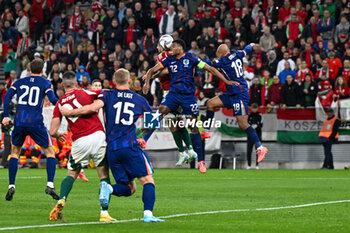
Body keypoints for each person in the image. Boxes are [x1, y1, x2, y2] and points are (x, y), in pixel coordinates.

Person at [61, 69, 164, 222]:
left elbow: (92, 108)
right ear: (129, 81)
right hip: (129, 146)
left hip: (112, 150)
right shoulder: (139, 99)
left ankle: (109, 188)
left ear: (114, 82)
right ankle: (148, 215)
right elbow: (154, 121)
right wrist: (144, 137)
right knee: (147, 181)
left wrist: (70, 112)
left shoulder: (107, 95)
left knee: (130, 188)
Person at [143, 39, 235, 173]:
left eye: (173, 47)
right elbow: (153, 70)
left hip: (188, 97)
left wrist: (226, 81)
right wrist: (147, 82)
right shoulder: (169, 59)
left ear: (180, 47)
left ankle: (201, 162)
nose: (171, 49)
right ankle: (143, 140)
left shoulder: (191, 58)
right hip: (173, 95)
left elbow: (210, 68)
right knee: (161, 111)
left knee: (193, 127)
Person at [49, 71, 115, 222]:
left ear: (62, 85)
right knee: (103, 176)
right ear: (76, 83)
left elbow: (52, 130)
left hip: (79, 141)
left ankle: (62, 199)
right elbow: (105, 93)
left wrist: (58, 134)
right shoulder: (85, 91)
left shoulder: (59, 104)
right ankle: (104, 214)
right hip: (98, 136)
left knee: (71, 174)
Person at [2, 59, 59, 201]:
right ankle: (50, 185)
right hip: (35, 122)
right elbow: (52, 99)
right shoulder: (45, 83)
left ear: (29, 69)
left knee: (15, 152)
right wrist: (63, 105)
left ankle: (11, 186)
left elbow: (7, 96)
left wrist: (5, 116)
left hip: (20, 121)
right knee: (50, 152)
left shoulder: (19, 82)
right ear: (42, 70)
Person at [203, 43, 268, 164]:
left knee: (243, 124)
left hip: (239, 94)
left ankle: (260, 147)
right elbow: (247, 50)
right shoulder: (237, 54)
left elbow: (211, 65)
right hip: (231, 93)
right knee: (210, 104)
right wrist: (251, 44)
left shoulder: (223, 61)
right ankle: (207, 131)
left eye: (218, 54)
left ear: (220, 53)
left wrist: (199, 61)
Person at [141, 40, 197, 167]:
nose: (157, 47)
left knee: (164, 118)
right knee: (175, 122)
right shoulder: (175, 56)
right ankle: (186, 151)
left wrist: (152, 76)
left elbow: (166, 71)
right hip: (174, 91)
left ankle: (142, 139)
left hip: (172, 92)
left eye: (158, 45)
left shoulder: (166, 57)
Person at [246, 104, 263, 169]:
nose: (254, 110)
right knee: (249, 150)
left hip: (257, 136)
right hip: (250, 136)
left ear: (257, 108)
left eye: (255, 108)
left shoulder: (260, 115)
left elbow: (261, 124)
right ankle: (249, 165)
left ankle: (257, 164)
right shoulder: (249, 115)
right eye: (253, 108)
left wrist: (256, 127)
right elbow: (247, 124)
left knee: (258, 151)